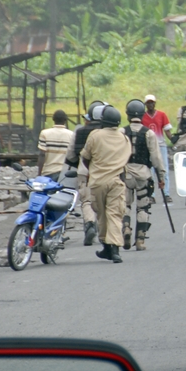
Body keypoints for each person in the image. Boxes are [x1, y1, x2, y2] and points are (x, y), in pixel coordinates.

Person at [81, 105, 131, 263]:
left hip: (98, 182)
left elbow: (85, 157)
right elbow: (126, 159)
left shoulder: (95, 135)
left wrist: (94, 170)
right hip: (117, 181)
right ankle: (115, 250)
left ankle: (106, 246)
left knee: (101, 215)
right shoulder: (124, 138)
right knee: (115, 214)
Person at [122, 99, 166, 251]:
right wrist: (161, 177)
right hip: (143, 174)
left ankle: (126, 228)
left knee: (125, 205)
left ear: (127, 115)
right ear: (142, 114)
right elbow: (156, 158)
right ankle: (140, 240)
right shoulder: (149, 133)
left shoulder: (122, 132)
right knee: (142, 207)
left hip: (125, 173)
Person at [64, 100, 105, 246]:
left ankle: (89, 224)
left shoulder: (80, 131)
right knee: (103, 201)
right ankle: (103, 232)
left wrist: (78, 163)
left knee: (87, 201)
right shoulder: (107, 132)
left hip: (84, 170)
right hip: (103, 171)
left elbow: (70, 155)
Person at [141, 94, 172, 203]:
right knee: (150, 172)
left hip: (161, 145)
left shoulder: (162, 115)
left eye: (152, 102)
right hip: (148, 146)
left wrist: (173, 139)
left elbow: (167, 131)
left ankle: (166, 193)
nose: (150, 104)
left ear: (155, 103)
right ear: (145, 104)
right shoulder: (143, 117)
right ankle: (151, 194)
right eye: (148, 103)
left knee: (164, 170)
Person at [37, 109, 73, 181]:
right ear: (65, 120)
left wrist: (39, 174)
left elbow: (42, 155)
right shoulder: (71, 135)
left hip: (48, 172)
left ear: (53, 119)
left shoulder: (44, 133)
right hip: (64, 173)